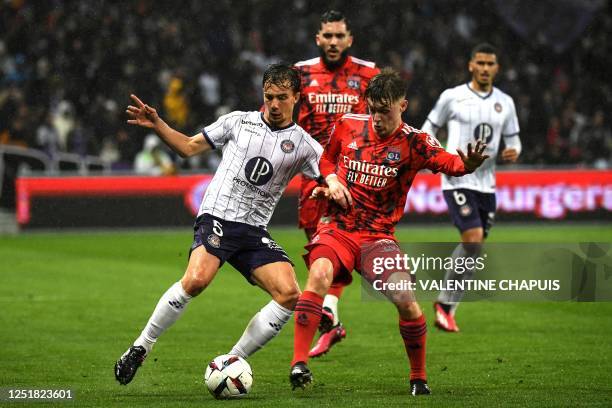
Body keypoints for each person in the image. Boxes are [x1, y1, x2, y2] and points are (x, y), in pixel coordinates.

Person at [115, 63, 323, 385]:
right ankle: (141, 347)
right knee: (197, 280)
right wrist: (157, 123)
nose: (275, 104)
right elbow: (187, 147)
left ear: (297, 96)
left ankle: (233, 360)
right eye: (269, 97)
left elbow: (331, 173)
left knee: (289, 293)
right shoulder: (237, 122)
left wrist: (334, 184)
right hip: (217, 217)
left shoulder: (305, 145)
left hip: (254, 231)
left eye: (283, 97)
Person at [289, 68, 489, 396]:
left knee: (406, 300)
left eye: (385, 111)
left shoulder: (415, 142)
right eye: (373, 110)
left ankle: (419, 377)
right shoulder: (348, 125)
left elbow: (449, 163)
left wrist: (467, 165)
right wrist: (332, 181)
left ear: (403, 105)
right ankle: (299, 363)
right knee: (319, 274)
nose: (377, 118)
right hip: (338, 229)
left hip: (377, 238)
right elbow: (326, 162)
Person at [295, 9, 380, 359]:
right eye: (327, 36)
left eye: (338, 36)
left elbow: (381, 119)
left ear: (349, 39)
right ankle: (332, 318)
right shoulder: (300, 74)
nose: (333, 42)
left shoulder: (368, 73)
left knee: (335, 245)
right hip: (312, 176)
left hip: (352, 178)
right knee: (318, 247)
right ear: (318, 38)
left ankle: (328, 311)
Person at [421, 43, 522, 332]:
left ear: (497, 68)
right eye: (481, 63)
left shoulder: (506, 102)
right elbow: (427, 129)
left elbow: (514, 139)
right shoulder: (452, 97)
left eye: (491, 64)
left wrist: (513, 151)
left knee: (474, 247)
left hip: (487, 185)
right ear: (471, 65)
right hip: (457, 178)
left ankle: (446, 305)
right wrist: (438, 156)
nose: (485, 69)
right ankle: (446, 305)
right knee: (473, 237)